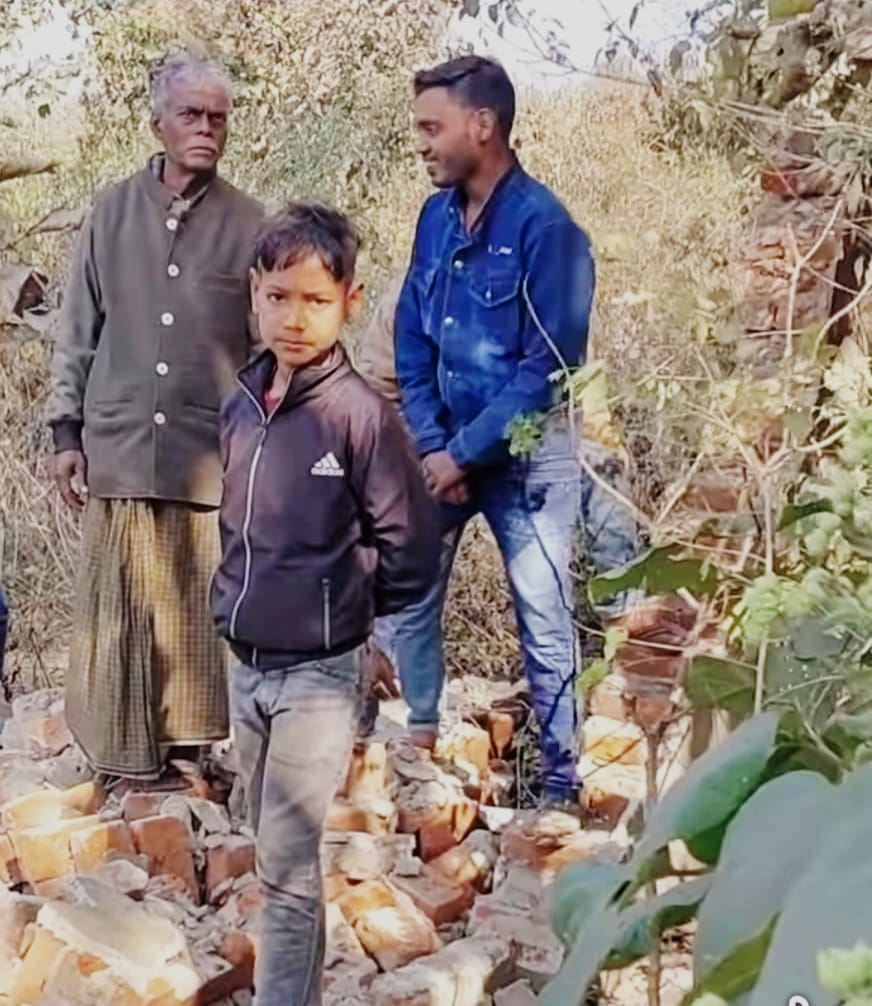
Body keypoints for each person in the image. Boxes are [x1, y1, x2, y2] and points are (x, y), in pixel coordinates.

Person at [210, 202, 440, 1006]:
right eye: (279, 298)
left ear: (349, 300)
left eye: (316, 300)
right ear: (254, 293)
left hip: (318, 671)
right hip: (246, 662)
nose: (294, 319)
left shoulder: (360, 418)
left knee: (284, 860)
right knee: (269, 841)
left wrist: (358, 628)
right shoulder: (242, 405)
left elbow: (411, 544)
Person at [47, 53, 263, 781]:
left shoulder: (250, 224)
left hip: (206, 455)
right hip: (118, 443)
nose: (206, 129)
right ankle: (119, 763)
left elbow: (266, 350)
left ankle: (188, 760)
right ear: (157, 125)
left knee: (194, 614)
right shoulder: (111, 212)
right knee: (121, 610)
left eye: (218, 118)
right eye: (191, 115)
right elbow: (78, 330)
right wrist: (65, 432)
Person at [394, 56, 595, 806]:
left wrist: (464, 452)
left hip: (527, 460)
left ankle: (560, 789)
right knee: (403, 591)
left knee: (544, 620)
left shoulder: (548, 229)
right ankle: (411, 753)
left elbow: (550, 369)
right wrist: (430, 444)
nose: (421, 142)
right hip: (441, 448)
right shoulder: (434, 218)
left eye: (432, 126)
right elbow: (412, 338)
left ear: (482, 125)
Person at [356, 280, 641, 732]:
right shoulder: (410, 298)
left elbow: (581, 403)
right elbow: (375, 401)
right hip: (435, 457)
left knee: (601, 474)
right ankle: (393, 724)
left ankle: (631, 648)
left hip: (525, 453)